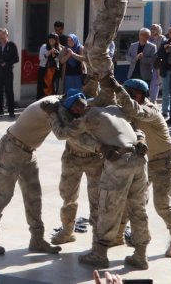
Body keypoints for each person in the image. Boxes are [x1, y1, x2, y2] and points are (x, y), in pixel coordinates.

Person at [0, 93, 68, 256]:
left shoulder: (61, 102)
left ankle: (37, 239)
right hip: (11, 149)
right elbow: (61, 134)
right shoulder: (52, 107)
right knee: (3, 196)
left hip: (28, 152)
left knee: (34, 196)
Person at [67, 105, 151, 270]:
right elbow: (136, 130)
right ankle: (141, 255)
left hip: (119, 161)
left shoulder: (89, 116)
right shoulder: (116, 110)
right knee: (138, 208)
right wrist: (141, 139)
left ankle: (99, 254)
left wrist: (55, 116)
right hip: (139, 159)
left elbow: (66, 133)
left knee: (108, 207)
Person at [112, 78, 171, 254]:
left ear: (139, 95)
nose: (123, 98)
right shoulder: (130, 111)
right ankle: (118, 236)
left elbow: (138, 112)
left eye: (128, 94)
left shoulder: (150, 110)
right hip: (146, 162)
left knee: (162, 205)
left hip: (163, 162)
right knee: (132, 200)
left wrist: (118, 89)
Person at [50, 90, 103, 246]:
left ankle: (98, 237)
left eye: (78, 105)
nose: (77, 110)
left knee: (97, 199)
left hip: (94, 159)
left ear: (83, 99)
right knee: (68, 196)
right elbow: (60, 133)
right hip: (72, 158)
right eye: (73, 108)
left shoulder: (95, 111)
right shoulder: (63, 114)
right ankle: (67, 231)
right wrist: (55, 112)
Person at [0, 28, 19, 118]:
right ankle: (0, 109)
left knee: (9, 91)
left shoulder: (12, 45)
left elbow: (16, 59)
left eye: (2, 34)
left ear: (7, 35)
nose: (0, 36)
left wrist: (6, 63)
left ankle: (11, 111)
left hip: (7, 71)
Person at [37, 33, 62, 98]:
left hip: (54, 72)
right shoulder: (44, 47)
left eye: (53, 39)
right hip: (43, 70)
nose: (51, 40)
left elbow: (60, 61)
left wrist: (54, 56)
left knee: (53, 88)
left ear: (56, 40)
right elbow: (40, 58)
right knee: (42, 88)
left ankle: (52, 104)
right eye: (49, 39)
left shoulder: (59, 49)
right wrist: (49, 53)